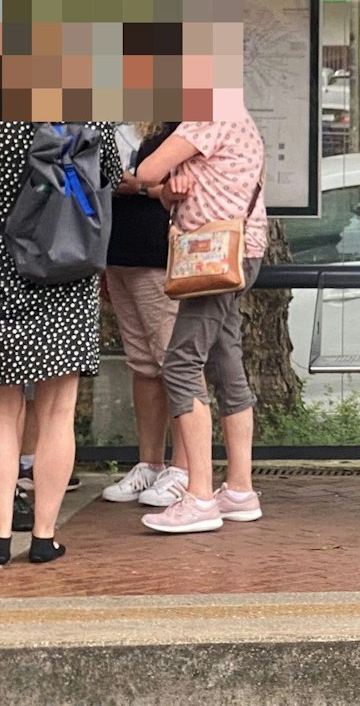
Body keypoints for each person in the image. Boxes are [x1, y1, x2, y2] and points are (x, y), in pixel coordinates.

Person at [0, 119, 122, 565]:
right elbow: (112, 176)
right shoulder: (90, 115)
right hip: (68, 267)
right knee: (58, 413)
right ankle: (45, 536)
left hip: (1, 266)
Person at [129, 118, 268, 533]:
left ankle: (200, 495)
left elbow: (146, 172)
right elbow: (186, 187)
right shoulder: (237, 115)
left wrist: (166, 174)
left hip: (213, 255)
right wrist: (175, 188)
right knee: (226, 363)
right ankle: (239, 490)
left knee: (180, 365)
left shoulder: (208, 112)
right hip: (237, 251)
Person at [98, 121, 193, 507]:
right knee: (142, 363)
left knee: (175, 361)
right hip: (115, 251)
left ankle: (185, 467)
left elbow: (186, 185)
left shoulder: (178, 122)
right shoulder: (108, 120)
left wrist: (139, 186)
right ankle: (150, 463)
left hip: (159, 251)